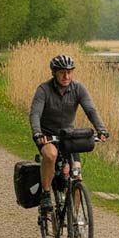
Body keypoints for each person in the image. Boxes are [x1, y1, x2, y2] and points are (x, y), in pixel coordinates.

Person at [29, 54, 109, 216]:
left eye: (69, 72)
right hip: (47, 136)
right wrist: (38, 133)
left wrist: (101, 129)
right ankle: (45, 195)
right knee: (50, 155)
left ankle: (74, 219)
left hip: (69, 138)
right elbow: (35, 114)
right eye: (62, 72)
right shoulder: (43, 90)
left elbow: (91, 110)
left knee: (76, 176)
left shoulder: (78, 88)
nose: (66, 76)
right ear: (54, 73)